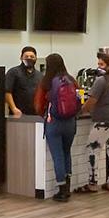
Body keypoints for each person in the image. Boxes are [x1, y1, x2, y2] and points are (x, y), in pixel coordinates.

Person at [78, 53, 109, 192]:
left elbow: (91, 101)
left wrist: (81, 111)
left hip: (104, 122)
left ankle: (93, 183)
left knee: (92, 150)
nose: (98, 67)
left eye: (101, 64)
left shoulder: (101, 81)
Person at [37, 53, 79, 202]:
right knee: (66, 153)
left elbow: (38, 105)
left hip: (54, 123)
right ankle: (67, 188)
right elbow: (79, 99)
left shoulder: (46, 82)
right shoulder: (72, 80)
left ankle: (61, 190)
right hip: (70, 123)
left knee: (58, 156)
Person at [5, 46, 42, 118]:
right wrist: (14, 108)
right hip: (18, 114)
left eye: (32, 56)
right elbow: (7, 92)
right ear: (21, 58)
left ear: (36, 59)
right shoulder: (13, 72)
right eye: (26, 56)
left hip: (36, 115)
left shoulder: (40, 75)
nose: (29, 58)